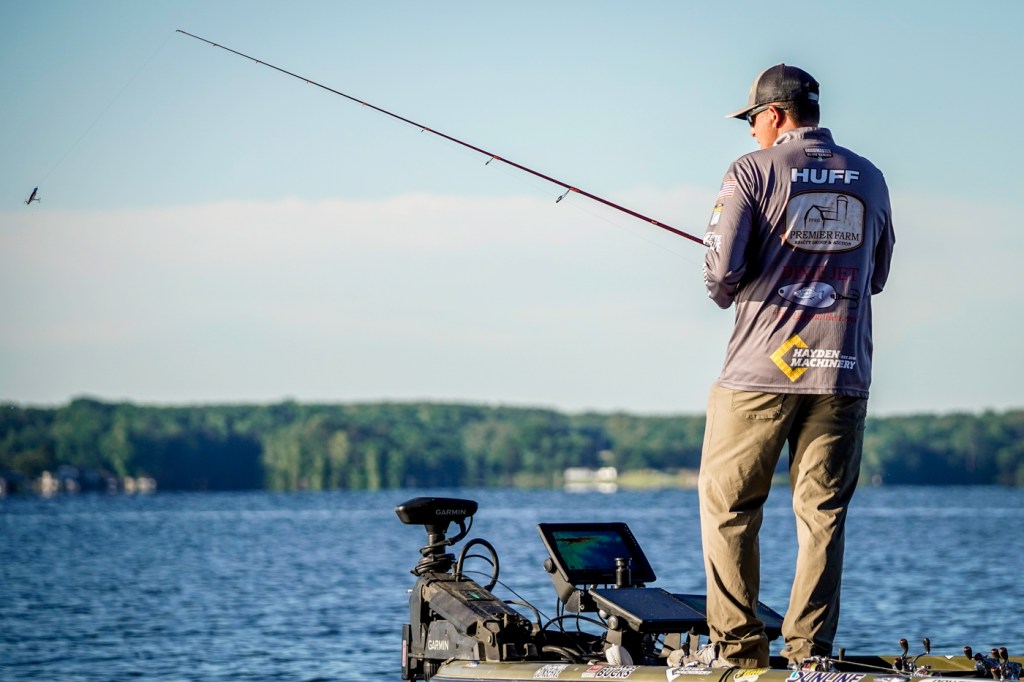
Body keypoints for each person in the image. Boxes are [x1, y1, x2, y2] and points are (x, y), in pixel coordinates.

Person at [696, 64, 895, 668]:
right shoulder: (871, 176)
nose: (751, 131)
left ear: (776, 114)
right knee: (823, 515)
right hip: (842, 371)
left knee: (730, 509)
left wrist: (741, 276)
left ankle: (738, 650)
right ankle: (811, 653)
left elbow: (720, 276)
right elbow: (877, 276)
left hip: (758, 374)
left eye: (753, 119)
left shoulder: (751, 171)